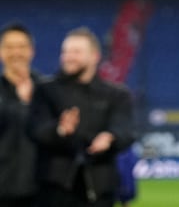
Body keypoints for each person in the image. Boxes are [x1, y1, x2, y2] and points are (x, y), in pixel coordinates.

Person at [28, 27, 135, 207]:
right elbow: (35, 129)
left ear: (94, 56)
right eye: (65, 51)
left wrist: (110, 137)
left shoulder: (116, 95)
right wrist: (60, 130)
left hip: (99, 189)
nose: (68, 57)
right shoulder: (45, 90)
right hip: (54, 190)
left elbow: (126, 129)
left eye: (76, 52)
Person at [0, 23, 40, 207]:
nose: (16, 52)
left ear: (31, 51)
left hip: (40, 191)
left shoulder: (48, 90)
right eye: (9, 47)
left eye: (21, 47)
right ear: (1, 52)